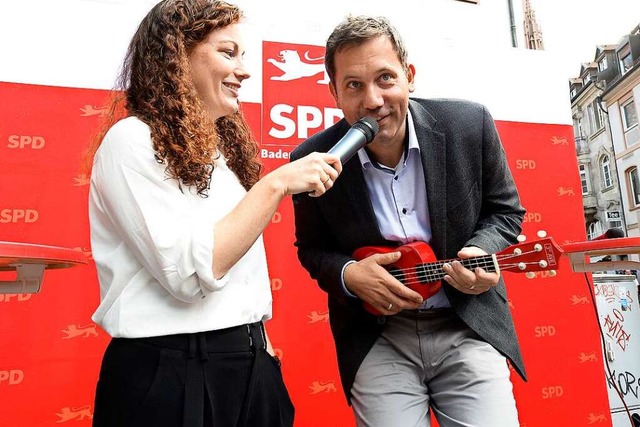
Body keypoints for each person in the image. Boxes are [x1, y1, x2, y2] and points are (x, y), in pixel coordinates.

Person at [85, 1, 341, 426]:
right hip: (169, 376)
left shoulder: (219, 155)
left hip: (249, 366)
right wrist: (274, 184)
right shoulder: (129, 141)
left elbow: (235, 281)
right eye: (229, 52)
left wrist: (258, 345)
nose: (244, 70)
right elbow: (188, 276)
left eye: (244, 56)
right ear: (177, 54)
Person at [291, 15, 526, 427]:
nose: (373, 101)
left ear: (409, 76)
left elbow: (505, 212)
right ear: (334, 93)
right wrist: (349, 274)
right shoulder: (310, 160)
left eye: (385, 78)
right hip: (378, 335)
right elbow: (311, 249)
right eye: (353, 85)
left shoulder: (469, 125)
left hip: (465, 323)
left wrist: (482, 251)